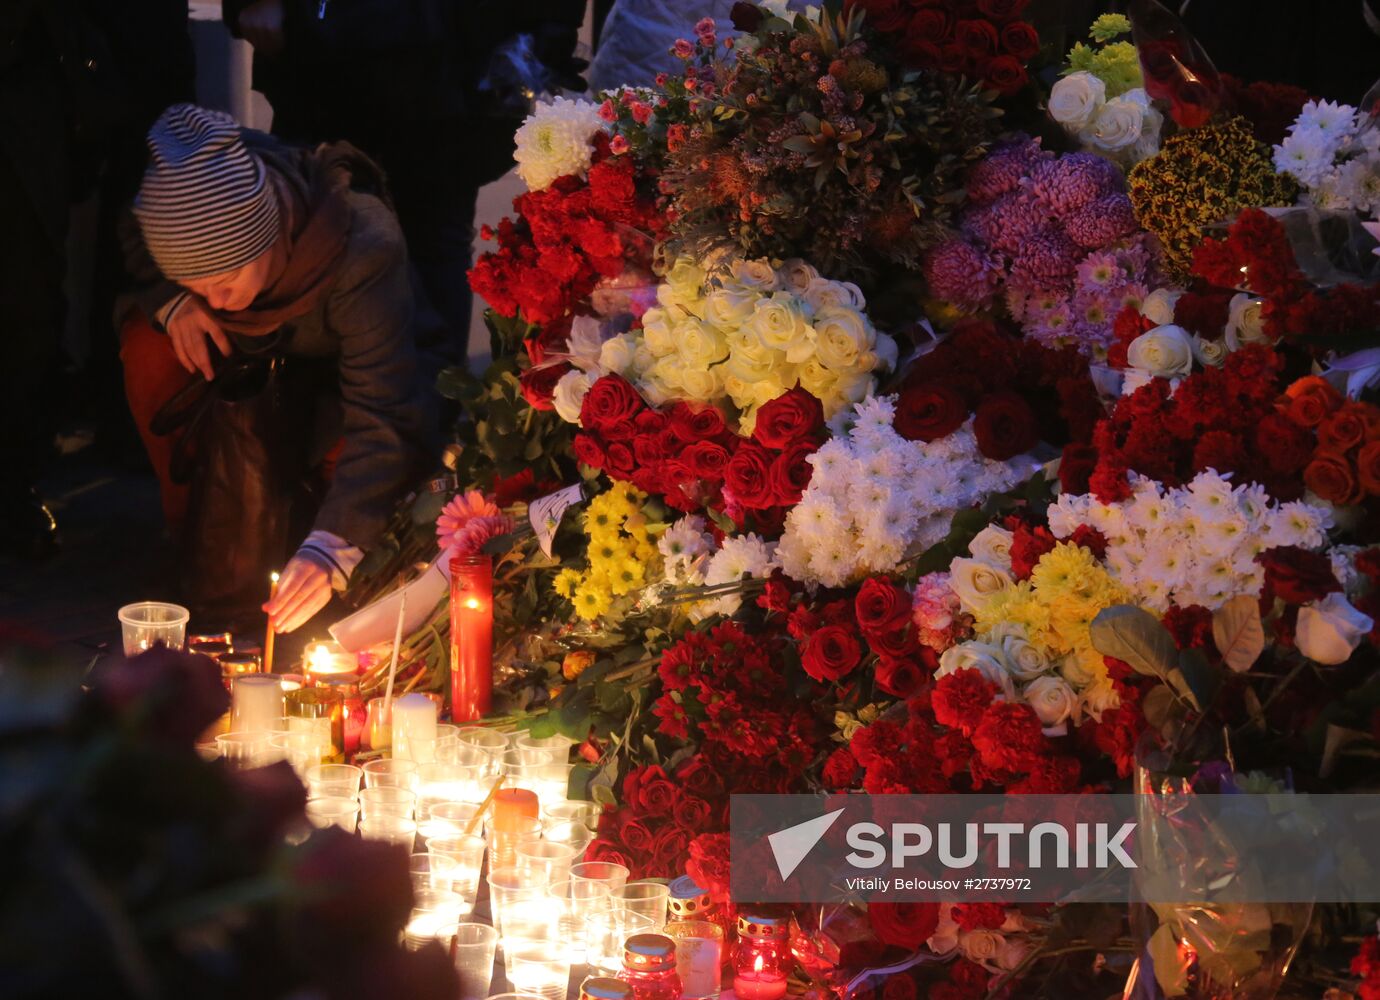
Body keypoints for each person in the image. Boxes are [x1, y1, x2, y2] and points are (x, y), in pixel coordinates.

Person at [120, 104, 431, 633]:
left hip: (341, 385)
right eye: (197, 286)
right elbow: (133, 232)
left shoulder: (362, 249)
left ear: (266, 234)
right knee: (149, 342)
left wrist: (333, 545)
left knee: (350, 494)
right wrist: (174, 302)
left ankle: (315, 549)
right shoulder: (181, 212)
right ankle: (199, 543)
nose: (217, 300)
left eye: (225, 281)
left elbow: (385, 410)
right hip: (251, 362)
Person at [220, 0, 587, 365]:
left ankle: (430, 396)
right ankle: (326, 396)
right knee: (315, 237)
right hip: (328, 51)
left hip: (451, 60)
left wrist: (550, 29)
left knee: (435, 243)